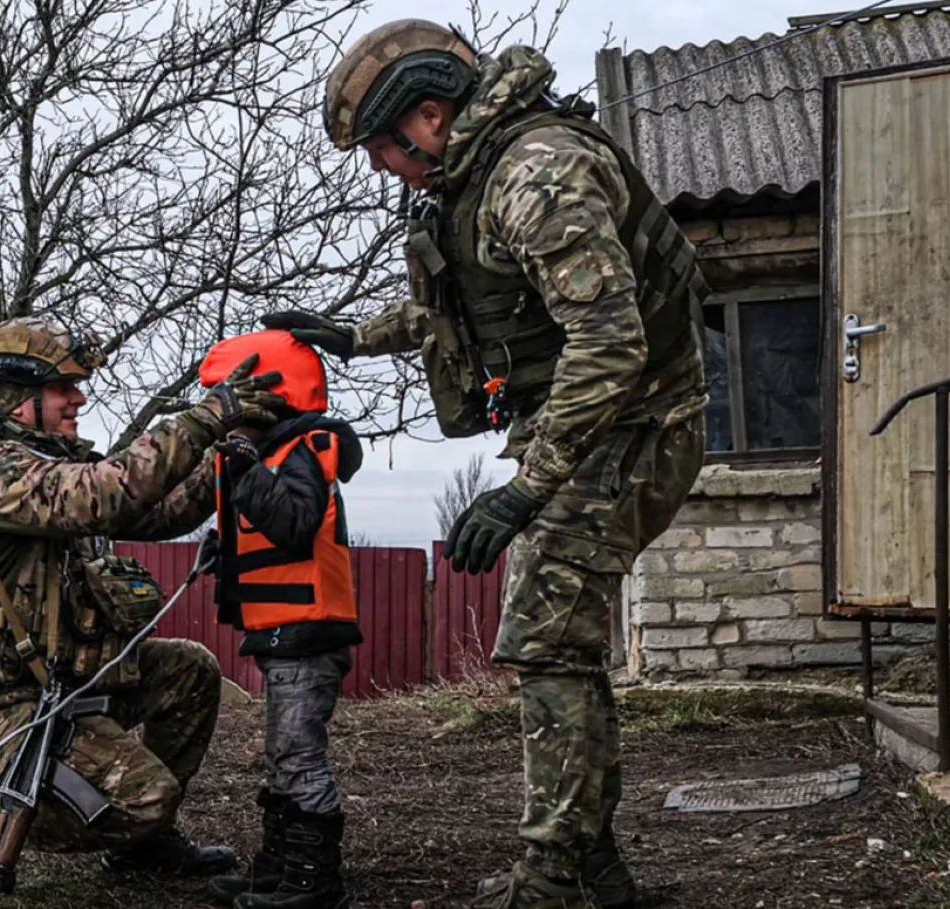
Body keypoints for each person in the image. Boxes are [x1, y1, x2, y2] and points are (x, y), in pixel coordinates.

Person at [263, 20, 710, 909]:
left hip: (637, 420)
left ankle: (548, 880)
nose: (382, 166)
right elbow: (462, 309)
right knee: (560, 643)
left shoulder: (536, 174)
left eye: (382, 147)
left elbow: (611, 343)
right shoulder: (477, 181)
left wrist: (526, 488)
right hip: (594, 423)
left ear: (429, 117)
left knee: (543, 636)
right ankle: (595, 874)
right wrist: (351, 336)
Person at [0, 316, 291, 894]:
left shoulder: (48, 467)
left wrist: (232, 451)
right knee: (143, 799)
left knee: (188, 670)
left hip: (57, 678)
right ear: (16, 396)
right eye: (63, 387)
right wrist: (209, 415)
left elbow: (157, 513)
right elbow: (107, 493)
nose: (78, 399)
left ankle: (141, 846)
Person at [194, 330, 363, 909]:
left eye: (235, 396)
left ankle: (314, 885)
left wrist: (245, 473)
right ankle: (278, 867)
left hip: (308, 631)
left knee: (298, 759)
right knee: (280, 760)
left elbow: (294, 522)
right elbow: (270, 526)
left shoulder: (303, 449)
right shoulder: (274, 456)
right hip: (283, 631)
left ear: (270, 392)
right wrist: (225, 549)